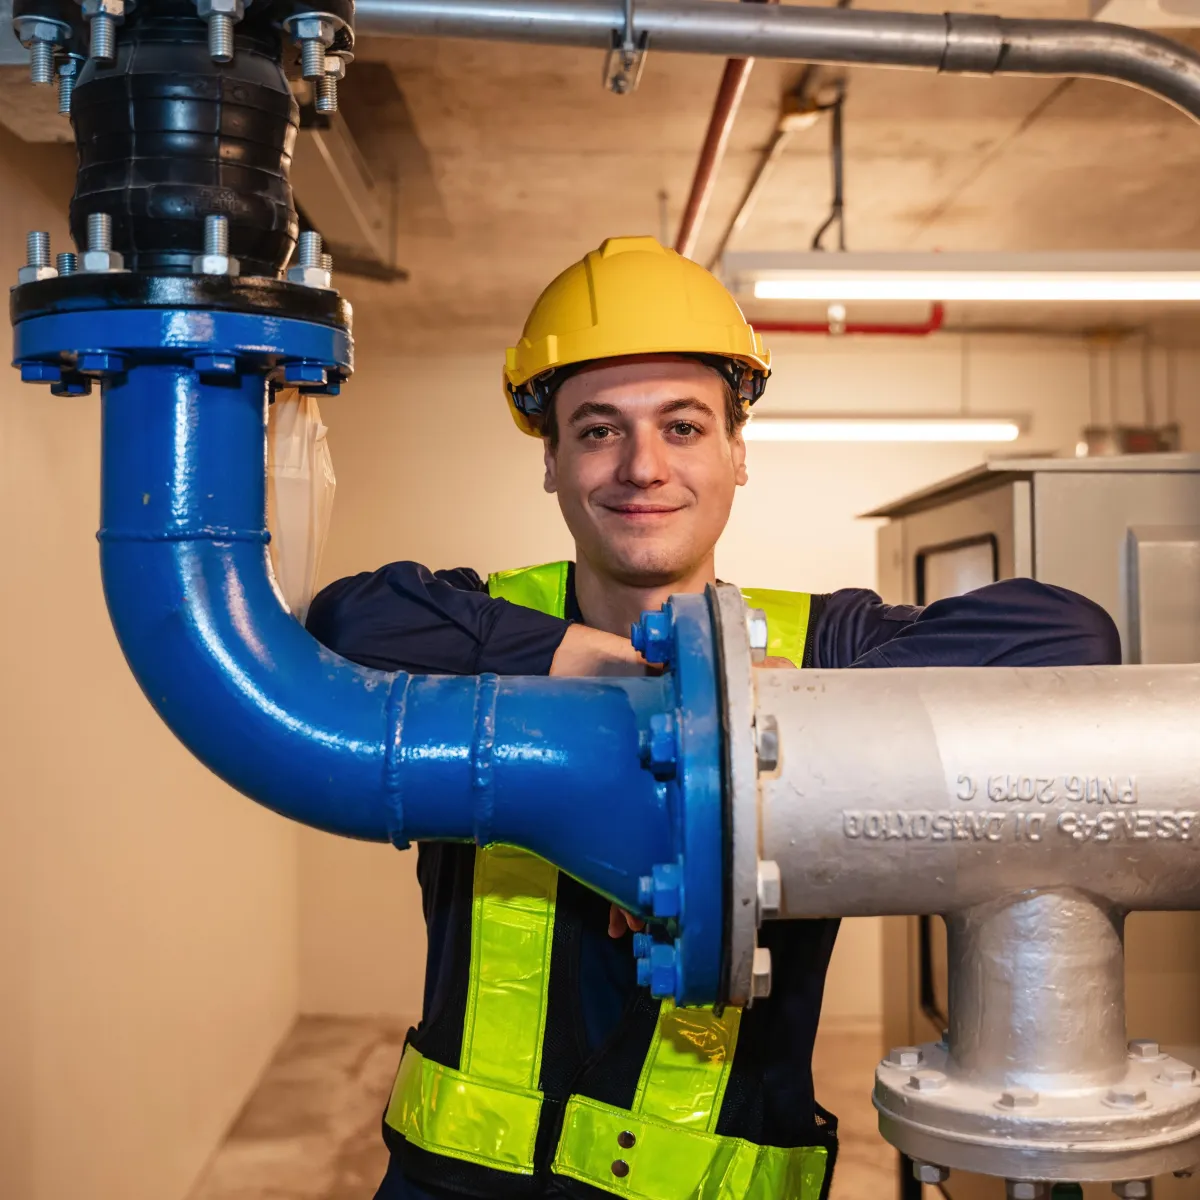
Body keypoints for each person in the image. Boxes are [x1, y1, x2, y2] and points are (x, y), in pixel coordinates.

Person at [306, 236, 1120, 1200]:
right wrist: (617, 668)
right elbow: (346, 621)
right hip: (457, 1183)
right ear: (551, 460)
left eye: (683, 426)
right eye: (598, 430)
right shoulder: (487, 622)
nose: (642, 467)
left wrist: (774, 699)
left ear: (738, 452)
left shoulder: (819, 645)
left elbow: (1071, 636)